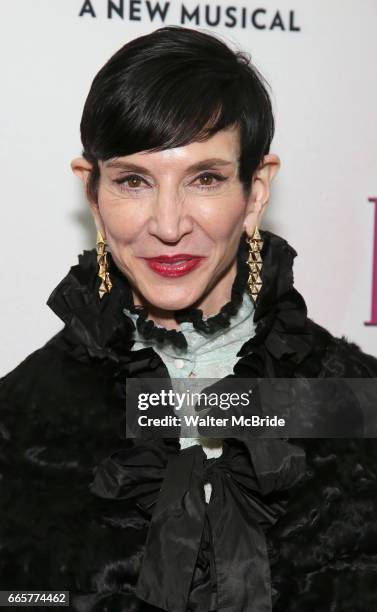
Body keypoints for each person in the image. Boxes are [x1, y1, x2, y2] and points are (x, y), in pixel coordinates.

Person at [1, 25, 377, 612]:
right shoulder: (18, 424)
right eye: (133, 180)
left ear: (255, 191)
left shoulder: (359, 403)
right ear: (92, 193)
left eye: (205, 178)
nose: (170, 224)